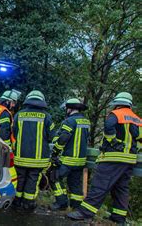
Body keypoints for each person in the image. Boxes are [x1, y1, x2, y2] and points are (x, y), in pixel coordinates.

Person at [67, 92, 141, 224]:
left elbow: (108, 127)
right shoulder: (137, 119)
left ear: (117, 103)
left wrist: (114, 142)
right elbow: (140, 138)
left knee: (99, 185)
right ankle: (118, 218)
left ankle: (84, 213)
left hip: (113, 158)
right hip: (129, 160)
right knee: (121, 189)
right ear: (129, 104)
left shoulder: (115, 114)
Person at [12, 90, 56, 211]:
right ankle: (28, 203)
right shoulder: (47, 116)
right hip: (38, 159)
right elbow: (52, 135)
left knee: (20, 178)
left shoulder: (19, 115)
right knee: (33, 179)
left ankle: (16, 201)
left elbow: (14, 133)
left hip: (20, 157)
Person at [49, 98, 90, 210]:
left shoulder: (69, 121)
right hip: (81, 160)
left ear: (70, 108)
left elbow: (64, 138)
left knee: (54, 177)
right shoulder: (86, 121)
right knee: (74, 183)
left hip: (68, 160)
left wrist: (55, 152)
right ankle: (76, 206)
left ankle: (61, 203)